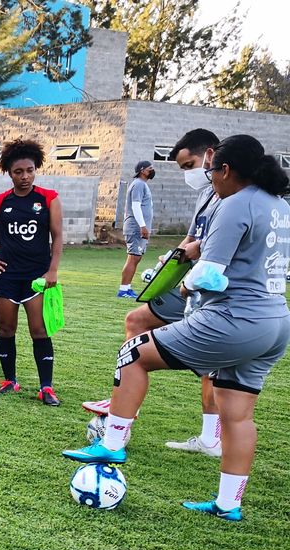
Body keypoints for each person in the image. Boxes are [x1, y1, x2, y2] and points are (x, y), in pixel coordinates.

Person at [63, 134, 290, 522]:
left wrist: (181, 284)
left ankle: (113, 443)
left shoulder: (233, 203)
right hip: (275, 321)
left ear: (226, 169)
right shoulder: (279, 205)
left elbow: (211, 276)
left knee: (132, 353)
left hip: (234, 319)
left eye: (210, 171)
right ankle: (228, 504)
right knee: (237, 414)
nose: (209, 179)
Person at [81, 129, 223, 456]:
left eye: (189, 165)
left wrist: (188, 254)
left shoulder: (231, 195)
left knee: (209, 364)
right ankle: (127, 402)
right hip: (191, 283)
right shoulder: (208, 193)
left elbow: (216, 245)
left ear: (211, 156)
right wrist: (173, 257)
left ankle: (124, 406)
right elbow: (191, 238)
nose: (188, 174)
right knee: (138, 321)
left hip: (209, 290)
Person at [0, 138, 63, 406]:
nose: (25, 176)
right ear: (9, 172)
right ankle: (10, 380)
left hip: (36, 277)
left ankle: (46, 387)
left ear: (36, 168)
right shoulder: (1, 202)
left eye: (29, 170)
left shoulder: (48, 198)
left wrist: (53, 270)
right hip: (6, 276)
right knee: (7, 329)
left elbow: (57, 236)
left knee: (39, 330)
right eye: (18, 172)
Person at [118, 160, 155, 298]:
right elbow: (135, 206)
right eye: (150, 168)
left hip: (140, 227)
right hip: (135, 227)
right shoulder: (138, 184)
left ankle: (127, 288)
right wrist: (142, 226)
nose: (152, 170)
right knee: (133, 257)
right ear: (142, 170)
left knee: (136, 258)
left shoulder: (142, 185)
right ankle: (123, 290)